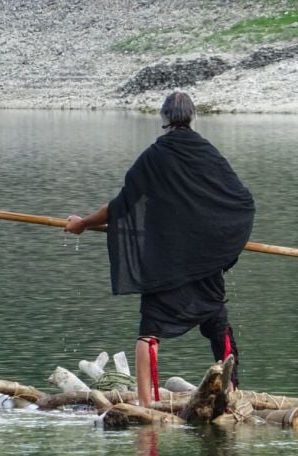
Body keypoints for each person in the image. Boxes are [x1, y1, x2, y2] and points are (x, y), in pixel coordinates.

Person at [65, 91, 255, 406]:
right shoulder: (208, 153)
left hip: (165, 262)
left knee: (149, 331)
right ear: (193, 117)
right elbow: (241, 201)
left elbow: (119, 205)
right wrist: (219, 238)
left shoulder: (155, 156)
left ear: (163, 119)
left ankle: (145, 403)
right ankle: (232, 395)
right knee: (217, 322)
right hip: (203, 259)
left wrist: (82, 223)